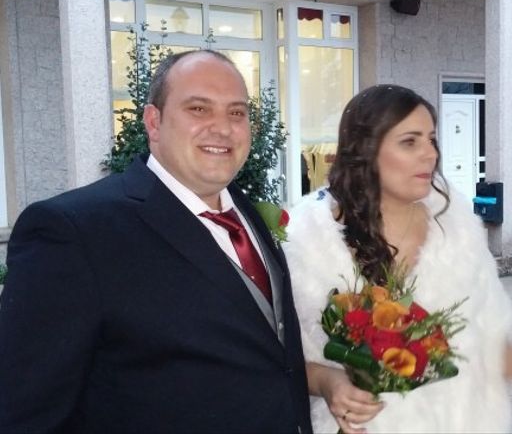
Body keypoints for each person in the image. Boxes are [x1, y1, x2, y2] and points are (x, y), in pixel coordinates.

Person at [0, 50, 312, 434]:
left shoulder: (246, 214)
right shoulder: (74, 232)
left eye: (236, 112)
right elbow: (27, 413)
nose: (223, 127)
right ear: (154, 122)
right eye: (198, 109)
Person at [283, 84, 512, 433]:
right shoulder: (304, 243)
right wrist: (330, 382)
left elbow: (488, 336)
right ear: (366, 149)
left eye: (432, 139)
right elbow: (281, 359)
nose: (430, 154)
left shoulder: (458, 230)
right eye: (410, 142)